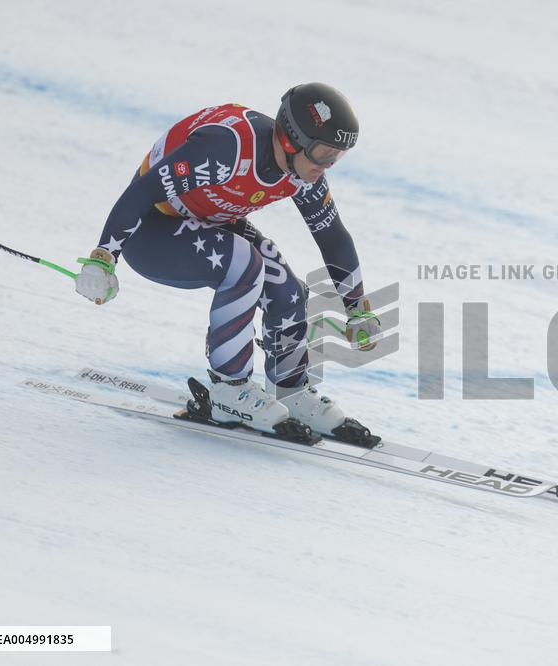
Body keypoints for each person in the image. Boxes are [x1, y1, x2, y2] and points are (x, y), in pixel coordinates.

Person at [73, 83, 381, 441]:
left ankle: (291, 389)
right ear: (290, 140)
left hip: (207, 221)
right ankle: (228, 390)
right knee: (245, 262)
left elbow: (332, 236)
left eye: (336, 157)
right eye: (323, 154)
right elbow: (141, 192)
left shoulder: (303, 169)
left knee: (286, 288)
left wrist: (358, 308)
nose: (327, 166)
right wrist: (103, 258)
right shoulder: (226, 149)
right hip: (151, 231)